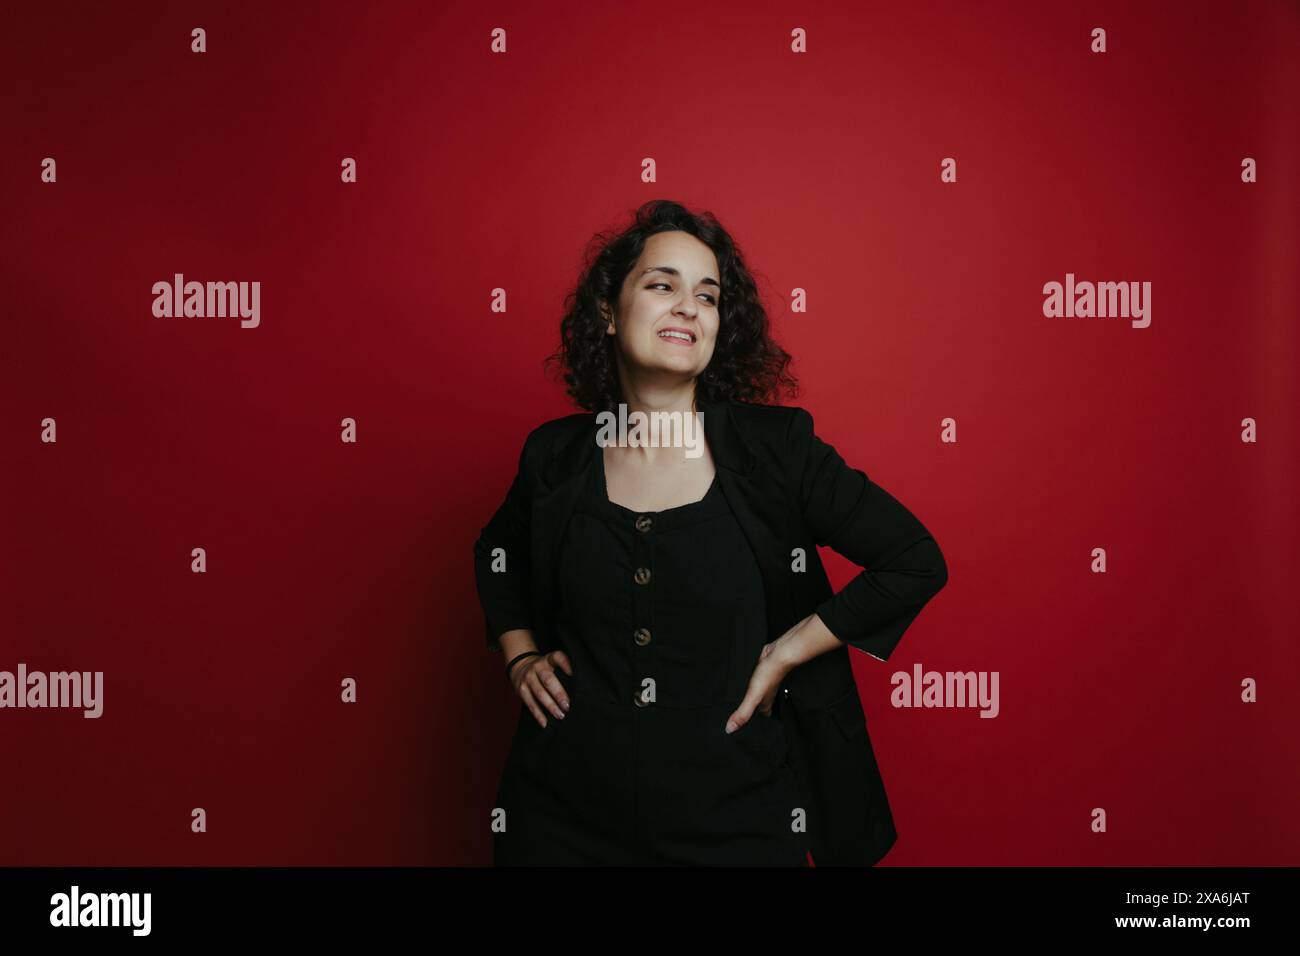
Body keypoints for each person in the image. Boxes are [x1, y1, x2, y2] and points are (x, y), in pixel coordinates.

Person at [474, 199, 948, 866]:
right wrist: (521, 654)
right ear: (608, 312)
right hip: (560, 822)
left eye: (708, 295)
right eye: (661, 284)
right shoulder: (555, 458)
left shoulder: (777, 452)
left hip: (739, 822)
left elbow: (913, 559)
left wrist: (790, 649)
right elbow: (496, 553)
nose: (688, 307)